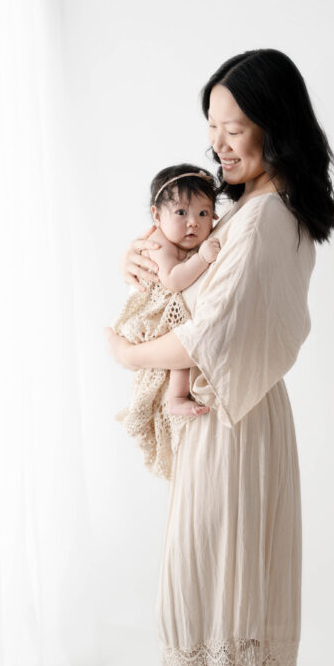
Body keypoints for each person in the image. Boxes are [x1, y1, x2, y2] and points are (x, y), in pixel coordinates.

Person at [104, 48, 334, 666]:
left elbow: (207, 334)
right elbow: (189, 282)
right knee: (225, 591)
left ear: (274, 125)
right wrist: (149, 263)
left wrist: (123, 351)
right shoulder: (256, 211)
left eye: (234, 127)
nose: (218, 143)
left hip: (228, 421)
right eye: (211, 126)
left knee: (211, 591)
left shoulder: (264, 219)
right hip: (239, 415)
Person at [111, 165, 221, 480]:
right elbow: (173, 280)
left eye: (203, 213)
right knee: (182, 339)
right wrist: (203, 258)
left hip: (163, 316)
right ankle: (175, 398)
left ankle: (174, 398)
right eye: (182, 212)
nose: (193, 222)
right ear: (156, 216)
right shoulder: (158, 244)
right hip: (147, 319)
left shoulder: (185, 238)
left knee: (184, 336)